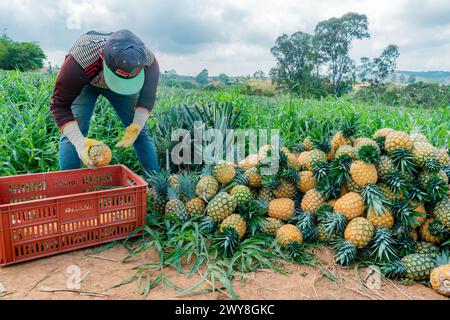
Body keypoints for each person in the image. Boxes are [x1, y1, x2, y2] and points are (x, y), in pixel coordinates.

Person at [50, 29, 160, 172]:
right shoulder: (79, 61)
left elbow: (147, 97)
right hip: (86, 83)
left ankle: (155, 182)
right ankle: (69, 184)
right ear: (102, 57)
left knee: (140, 132)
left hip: (123, 89)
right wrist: (79, 143)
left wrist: (137, 124)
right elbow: (59, 106)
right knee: (74, 132)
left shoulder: (148, 61)